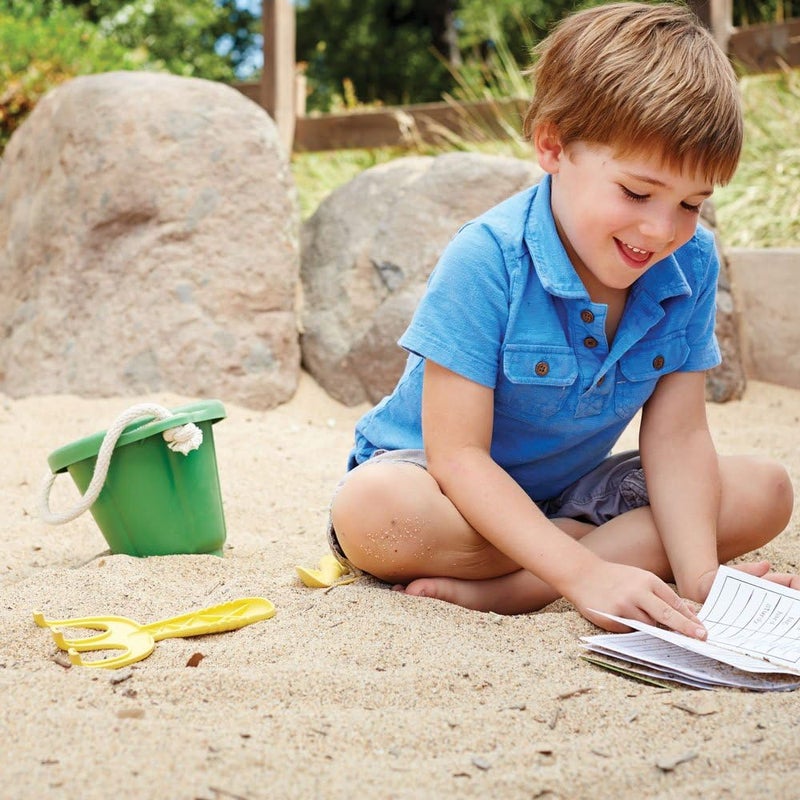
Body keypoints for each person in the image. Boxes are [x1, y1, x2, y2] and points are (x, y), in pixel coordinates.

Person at [326, 1, 796, 638]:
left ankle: (526, 585)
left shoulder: (690, 262)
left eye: (691, 203)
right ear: (553, 146)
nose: (661, 230)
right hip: (440, 488)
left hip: (573, 494)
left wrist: (702, 579)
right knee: (374, 515)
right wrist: (585, 572)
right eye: (636, 192)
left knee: (765, 491)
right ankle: (580, 560)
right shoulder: (488, 257)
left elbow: (679, 438)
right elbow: (458, 457)